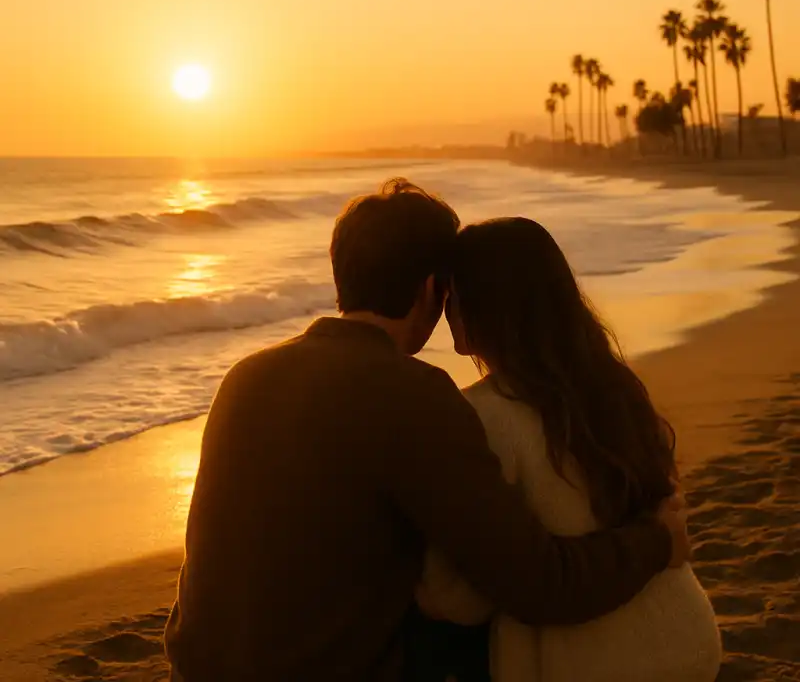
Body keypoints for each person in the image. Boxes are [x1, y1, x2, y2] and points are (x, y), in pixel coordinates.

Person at [164, 180, 691, 682]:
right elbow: (540, 586)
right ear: (430, 291)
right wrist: (655, 541)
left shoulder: (245, 376)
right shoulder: (413, 393)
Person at [417, 217, 721, 682]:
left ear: (484, 305)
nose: (446, 312)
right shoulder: (614, 386)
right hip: (690, 642)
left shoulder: (483, 414)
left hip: (594, 667)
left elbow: (455, 599)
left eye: (452, 297)